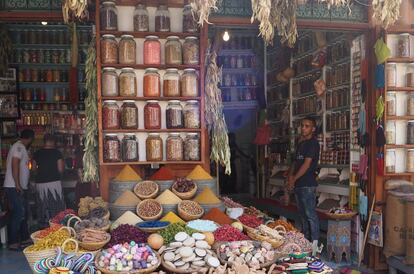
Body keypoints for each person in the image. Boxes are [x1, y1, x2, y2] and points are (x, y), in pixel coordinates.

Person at [287, 117, 320, 256]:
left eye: (307, 126)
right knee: (303, 216)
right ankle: (306, 243)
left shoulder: (313, 143)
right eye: (302, 126)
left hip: (307, 184)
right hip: (299, 184)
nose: (303, 128)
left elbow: (307, 164)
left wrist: (294, 178)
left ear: (313, 129)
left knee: (311, 216)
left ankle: (315, 246)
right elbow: (295, 163)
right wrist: (290, 178)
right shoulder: (301, 143)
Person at [3, 129, 34, 251]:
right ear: (30, 138)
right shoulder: (18, 147)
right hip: (14, 186)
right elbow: (14, 164)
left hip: (20, 186)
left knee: (23, 213)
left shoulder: (21, 148)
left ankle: (25, 238)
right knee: (18, 213)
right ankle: (13, 242)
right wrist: (17, 184)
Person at [32, 134, 66, 227]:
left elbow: (33, 169)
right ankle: (57, 225)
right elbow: (60, 169)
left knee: (42, 205)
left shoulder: (37, 153)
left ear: (44, 141)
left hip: (40, 183)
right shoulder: (57, 153)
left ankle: (44, 226)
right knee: (56, 205)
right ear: (53, 142)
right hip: (54, 182)